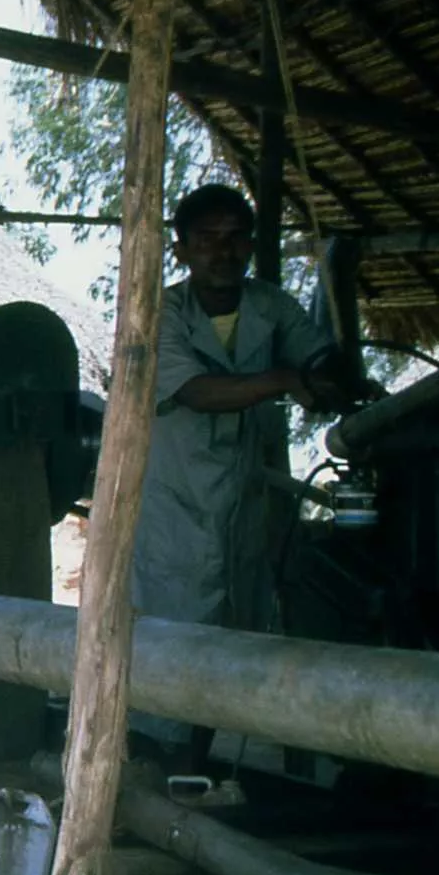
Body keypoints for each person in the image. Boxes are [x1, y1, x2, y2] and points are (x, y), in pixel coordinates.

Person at [131, 183, 348, 768]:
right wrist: (284, 381)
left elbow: (316, 356)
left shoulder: (270, 306)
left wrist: (329, 371)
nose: (223, 254)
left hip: (247, 499)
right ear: (181, 251)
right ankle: (157, 763)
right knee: (167, 634)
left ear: (251, 246)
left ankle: (205, 766)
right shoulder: (162, 314)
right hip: (175, 502)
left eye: (235, 240)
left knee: (238, 627)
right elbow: (197, 392)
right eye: (207, 241)